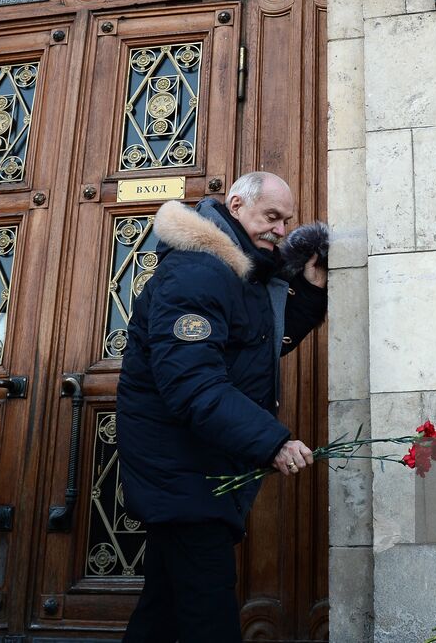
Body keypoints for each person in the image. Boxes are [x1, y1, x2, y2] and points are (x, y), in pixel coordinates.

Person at [117, 172, 327, 642]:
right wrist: (272, 441)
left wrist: (310, 291)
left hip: (194, 470)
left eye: (287, 222)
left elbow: (253, 347)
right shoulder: (199, 270)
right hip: (182, 470)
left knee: (165, 608)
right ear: (236, 204)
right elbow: (192, 383)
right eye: (271, 217)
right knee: (207, 614)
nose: (280, 230)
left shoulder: (235, 268)